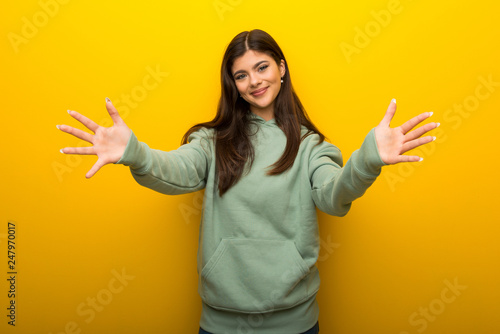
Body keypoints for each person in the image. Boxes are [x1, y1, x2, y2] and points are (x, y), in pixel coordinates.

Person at [57, 29, 438, 334]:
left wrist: (367, 159)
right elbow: (175, 170)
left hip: (295, 322)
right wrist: (134, 152)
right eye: (241, 75)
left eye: (261, 67)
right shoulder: (212, 141)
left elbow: (334, 196)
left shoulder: (311, 145)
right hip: (221, 321)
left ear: (282, 68)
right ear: (233, 84)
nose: (253, 81)